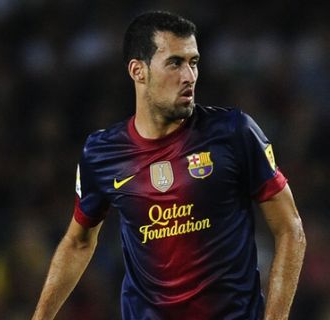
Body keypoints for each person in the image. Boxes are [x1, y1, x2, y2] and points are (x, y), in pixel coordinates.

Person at [33, 11, 306, 320]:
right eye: (175, 63)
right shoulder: (102, 153)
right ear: (138, 71)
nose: (189, 76)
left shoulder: (233, 132)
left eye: (194, 62)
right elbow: (78, 244)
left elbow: (290, 228)